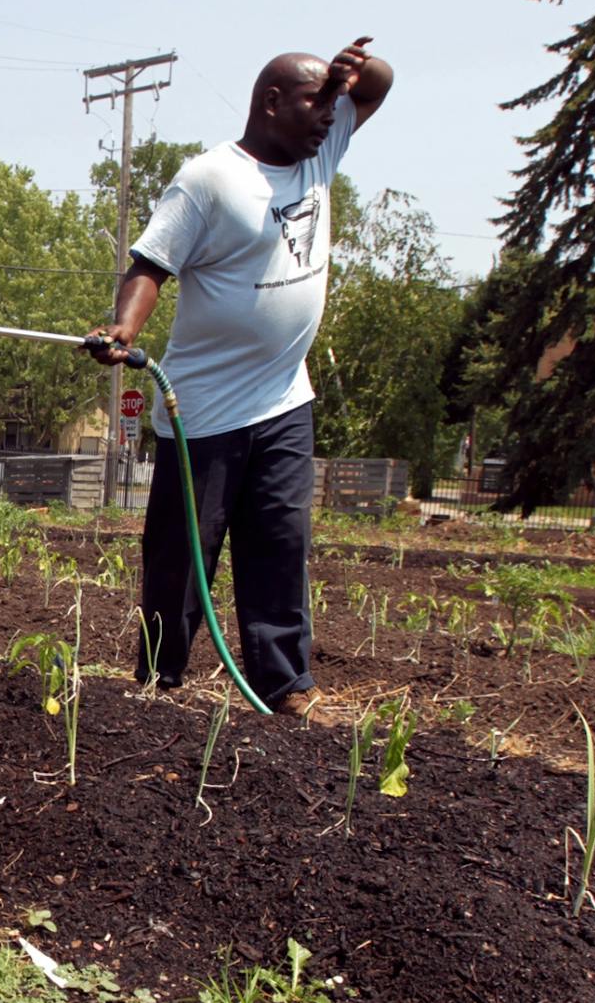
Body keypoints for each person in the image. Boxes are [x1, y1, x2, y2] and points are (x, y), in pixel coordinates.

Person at [86, 38, 393, 719]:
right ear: (272, 103)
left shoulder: (322, 151)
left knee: (281, 543)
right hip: (203, 411)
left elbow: (379, 83)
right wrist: (124, 332)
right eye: (318, 100)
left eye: (333, 104)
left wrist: (349, 75)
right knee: (182, 557)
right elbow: (150, 263)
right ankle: (158, 682)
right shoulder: (209, 179)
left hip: (285, 398)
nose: (330, 114)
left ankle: (287, 687)